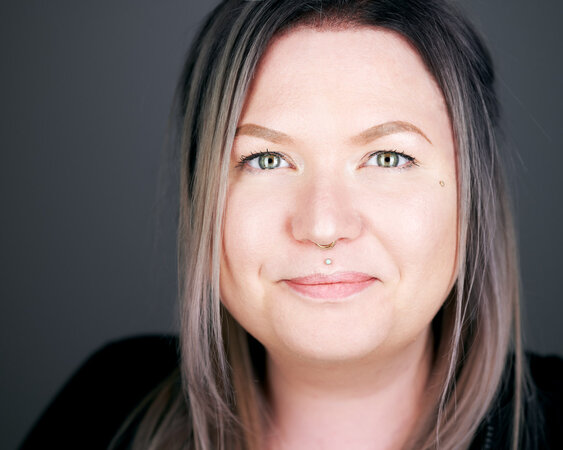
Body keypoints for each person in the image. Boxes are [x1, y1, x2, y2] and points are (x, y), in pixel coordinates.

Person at [21, 1, 562, 449]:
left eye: (389, 158)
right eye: (266, 160)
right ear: (201, 192)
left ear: (474, 194)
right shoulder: (106, 412)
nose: (323, 225)